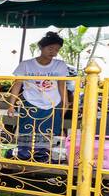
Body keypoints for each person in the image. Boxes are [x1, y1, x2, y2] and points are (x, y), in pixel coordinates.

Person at [9, 33, 69, 162]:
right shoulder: (26, 64)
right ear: (41, 47)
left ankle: (47, 158)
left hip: (53, 103)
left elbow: (62, 85)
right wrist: (11, 105)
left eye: (57, 50)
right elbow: (17, 84)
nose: (53, 52)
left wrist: (66, 102)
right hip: (30, 102)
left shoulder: (60, 65)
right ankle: (25, 156)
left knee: (51, 130)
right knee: (27, 130)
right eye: (50, 48)